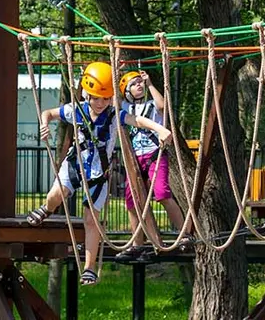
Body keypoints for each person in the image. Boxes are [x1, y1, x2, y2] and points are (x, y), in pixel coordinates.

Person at [27, 61, 172, 285]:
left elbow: (138, 120)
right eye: (97, 98)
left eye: (106, 99)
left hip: (97, 176)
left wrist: (160, 128)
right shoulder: (77, 111)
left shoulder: (114, 115)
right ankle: (47, 209)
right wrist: (44, 124)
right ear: (88, 95)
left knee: (91, 220)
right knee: (54, 197)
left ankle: (90, 267)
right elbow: (49, 113)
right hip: (75, 166)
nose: (101, 103)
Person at [114, 69, 186, 263]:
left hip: (154, 154)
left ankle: (184, 233)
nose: (139, 85)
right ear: (126, 91)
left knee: (161, 193)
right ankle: (137, 243)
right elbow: (111, 96)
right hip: (135, 159)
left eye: (140, 83)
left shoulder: (152, 105)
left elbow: (163, 106)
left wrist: (150, 83)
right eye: (134, 84)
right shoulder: (123, 108)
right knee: (132, 201)